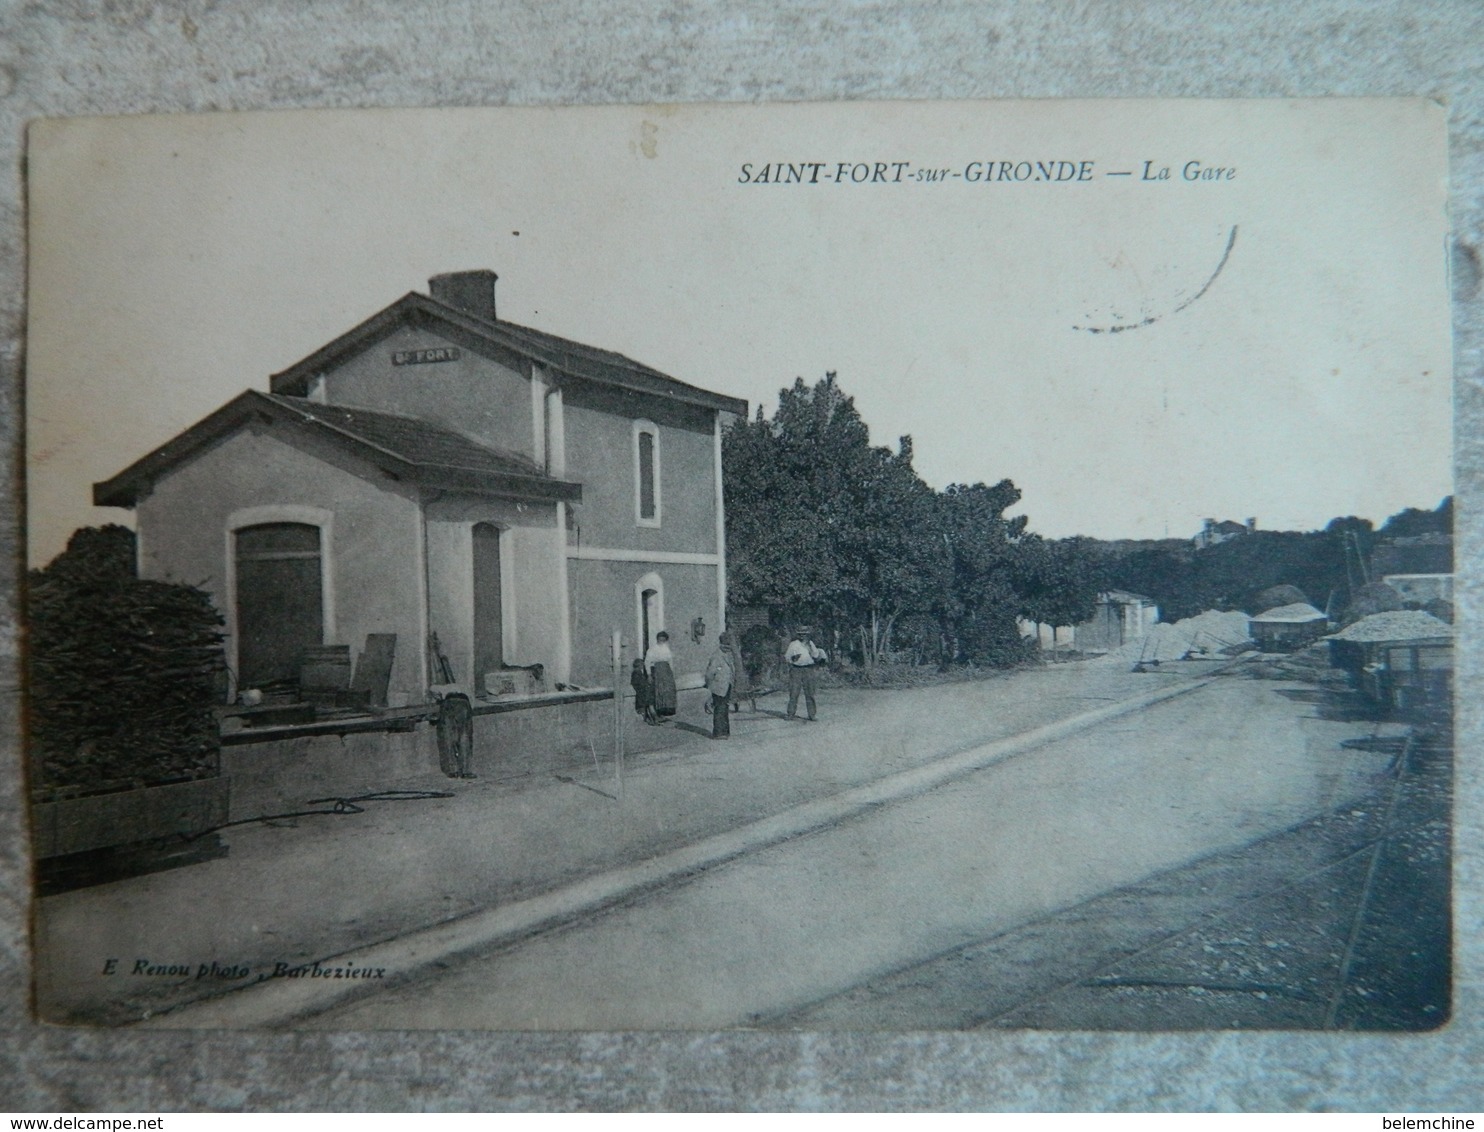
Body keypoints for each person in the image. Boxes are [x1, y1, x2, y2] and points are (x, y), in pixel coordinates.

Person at [784, 625, 827, 721]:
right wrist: (793, 659)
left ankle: (812, 715)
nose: (802, 636)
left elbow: (816, 655)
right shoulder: (793, 644)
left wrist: (810, 647)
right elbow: (787, 657)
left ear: (808, 635)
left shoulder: (811, 643)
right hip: (796, 670)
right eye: (800, 634)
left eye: (804, 634)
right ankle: (790, 714)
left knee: (810, 693)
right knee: (794, 693)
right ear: (798, 635)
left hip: (808, 669)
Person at [704, 632, 737, 738]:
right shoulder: (717, 655)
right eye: (727, 643)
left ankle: (725, 732)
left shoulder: (728, 654)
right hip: (719, 685)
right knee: (719, 708)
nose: (729, 646)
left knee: (724, 708)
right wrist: (710, 684)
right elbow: (710, 672)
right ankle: (718, 733)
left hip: (727, 685)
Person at [644, 630, 677, 721]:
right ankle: (655, 714)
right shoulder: (652, 649)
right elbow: (647, 662)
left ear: (666, 640)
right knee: (657, 691)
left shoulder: (667, 649)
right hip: (657, 671)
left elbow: (670, 661)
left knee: (666, 691)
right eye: (659, 640)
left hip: (666, 672)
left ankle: (662, 712)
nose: (661, 642)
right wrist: (649, 675)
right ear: (657, 639)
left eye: (663, 640)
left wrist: (672, 673)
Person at [630, 656, 656, 724]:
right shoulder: (636, 673)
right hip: (641, 692)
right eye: (642, 665)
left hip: (643, 691)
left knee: (649, 701)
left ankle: (653, 718)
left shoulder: (638, 672)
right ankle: (651, 718)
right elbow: (638, 683)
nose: (643, 666)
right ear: (639, 665)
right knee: (648, 702)